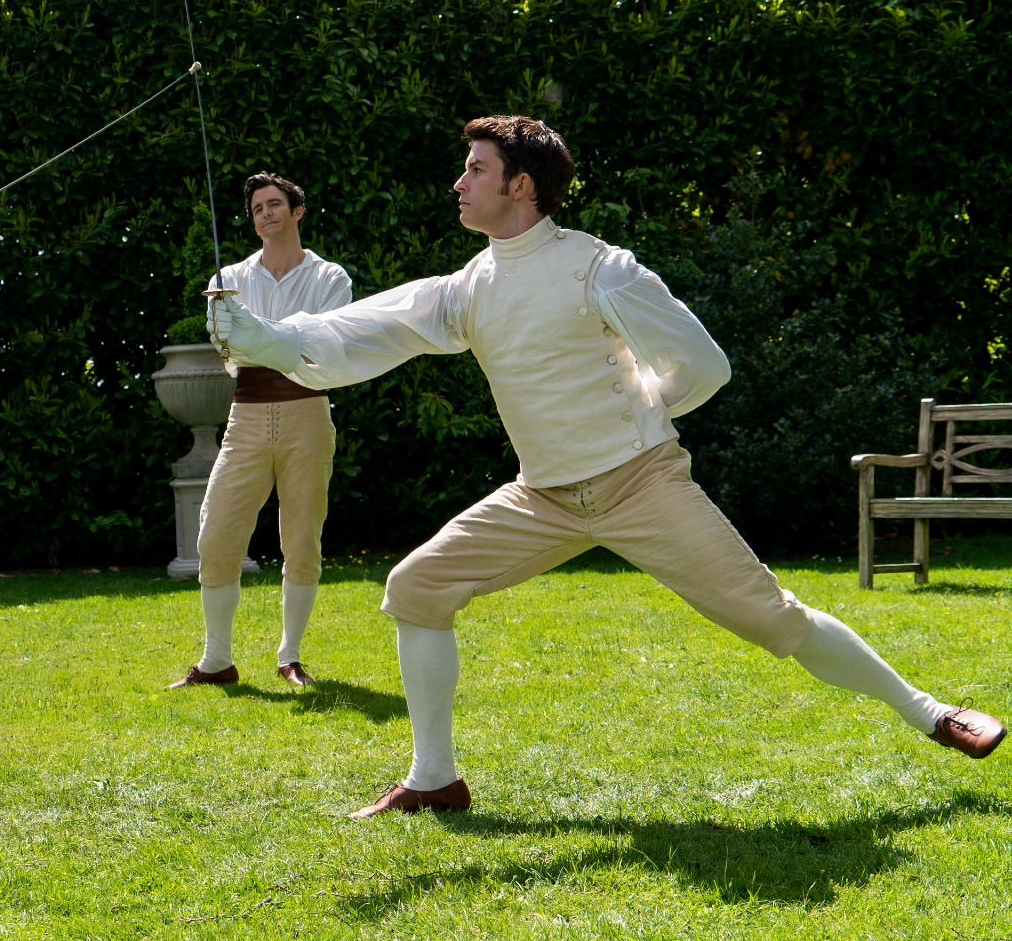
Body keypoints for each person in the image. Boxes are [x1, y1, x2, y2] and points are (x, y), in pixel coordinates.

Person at [211, 116, 1005, 816]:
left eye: (476, 170)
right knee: (417, 588)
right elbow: (366, 328)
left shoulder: (602, 267)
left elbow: (702, 366)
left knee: (777, 619)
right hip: (541, 497)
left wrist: (642, 417)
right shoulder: (469, 286)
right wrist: (266, 341)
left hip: (641, 484)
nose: (459, 183)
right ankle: (434, 778)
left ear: (520, 186)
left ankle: (929, 711)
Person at [170, 173, 352, 690]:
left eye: (275, 205)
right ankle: (216, 661)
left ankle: (290, 657)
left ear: (297, 212)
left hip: (307, 415)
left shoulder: (330, 277)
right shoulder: (229, 277)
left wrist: (261, 336)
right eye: (256, 209)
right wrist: (276, 340)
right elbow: (234, 355)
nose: (265, 214)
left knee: (301, 537)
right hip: (246, 414)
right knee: (216, 534)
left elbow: (324, 345)